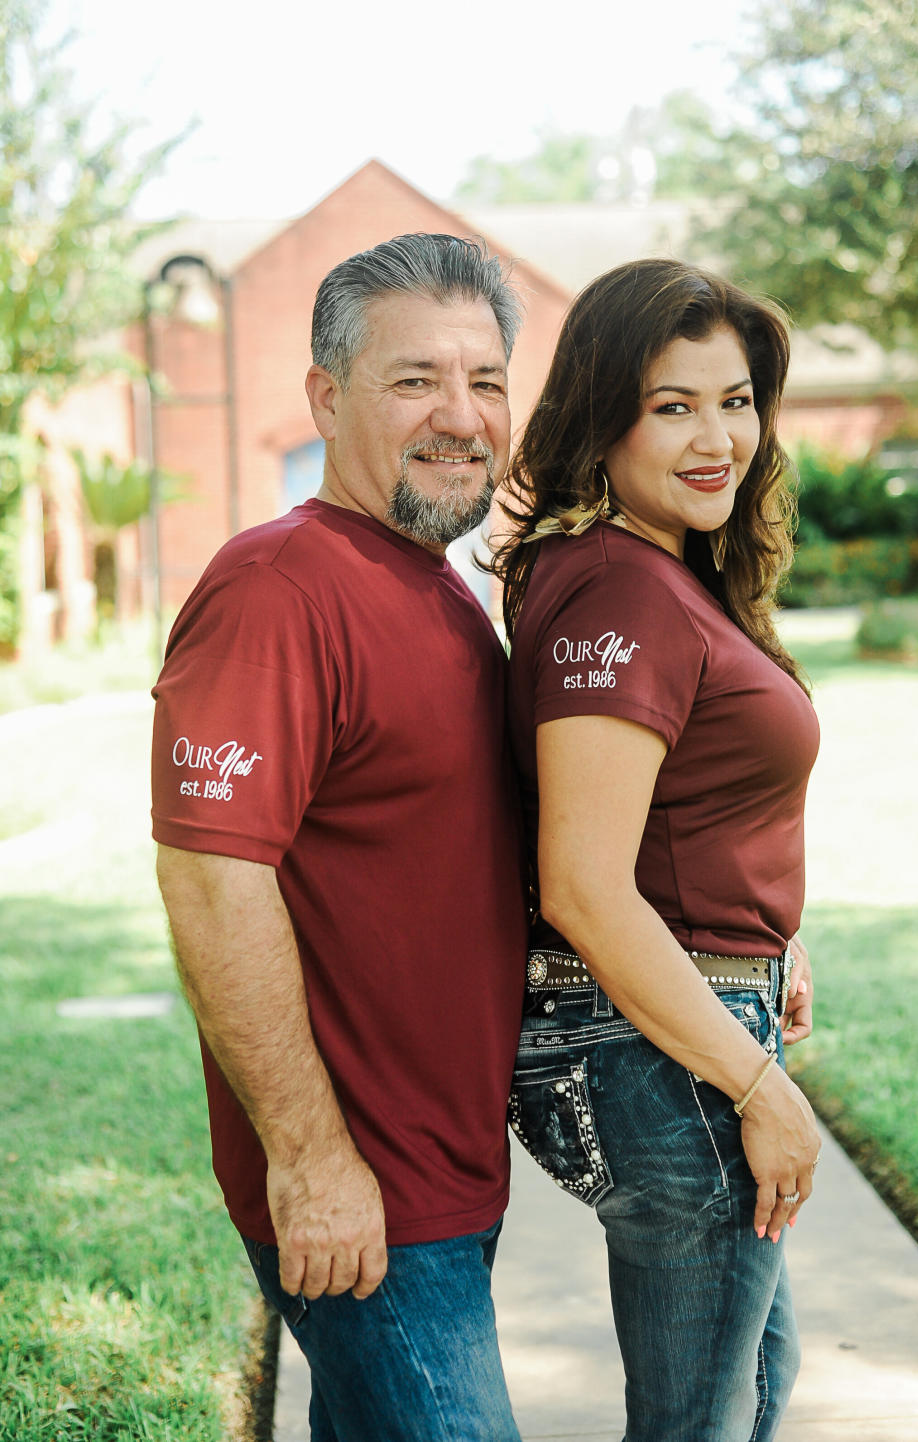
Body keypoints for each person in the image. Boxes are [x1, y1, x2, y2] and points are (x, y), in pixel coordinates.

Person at [151, 233, 529, 1442]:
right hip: (363, 1186)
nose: (461, 415)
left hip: (442, 1170)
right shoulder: (276, 588)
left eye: (487, 381)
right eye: (416, 378)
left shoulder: (441, 586)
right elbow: (213, 880)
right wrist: (313, 1164)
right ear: (325, 397)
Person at [491, 258, 822, 1442]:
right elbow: (583, 880)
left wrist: (772, 938)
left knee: (751, 1391)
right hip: (663, 1052)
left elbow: (686, 809)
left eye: (734, 401)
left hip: (676, 1021)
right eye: (672, 404)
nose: (715, 436)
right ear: (604, 416)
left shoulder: (646, 574)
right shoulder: (624, 594)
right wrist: (754, 1081)